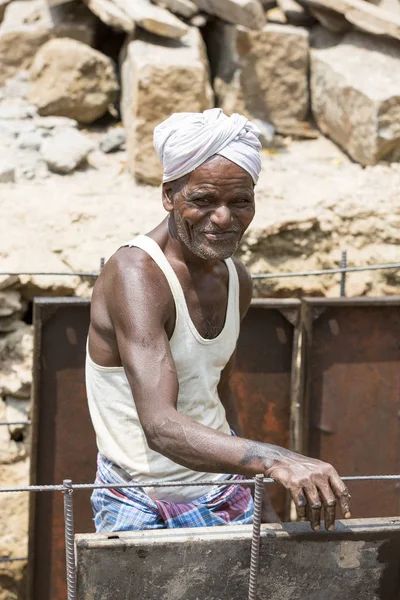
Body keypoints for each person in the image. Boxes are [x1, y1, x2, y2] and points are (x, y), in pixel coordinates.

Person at [86, 108, 351, 533]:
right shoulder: (136, 275)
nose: (225, 218)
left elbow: (215, 393)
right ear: (170, 196)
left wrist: (254, 493)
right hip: (141, 499)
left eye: (240, 201)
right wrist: (275, 460)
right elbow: (160, 425)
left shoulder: (235, 278)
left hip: (221, 493)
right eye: (203, 200)